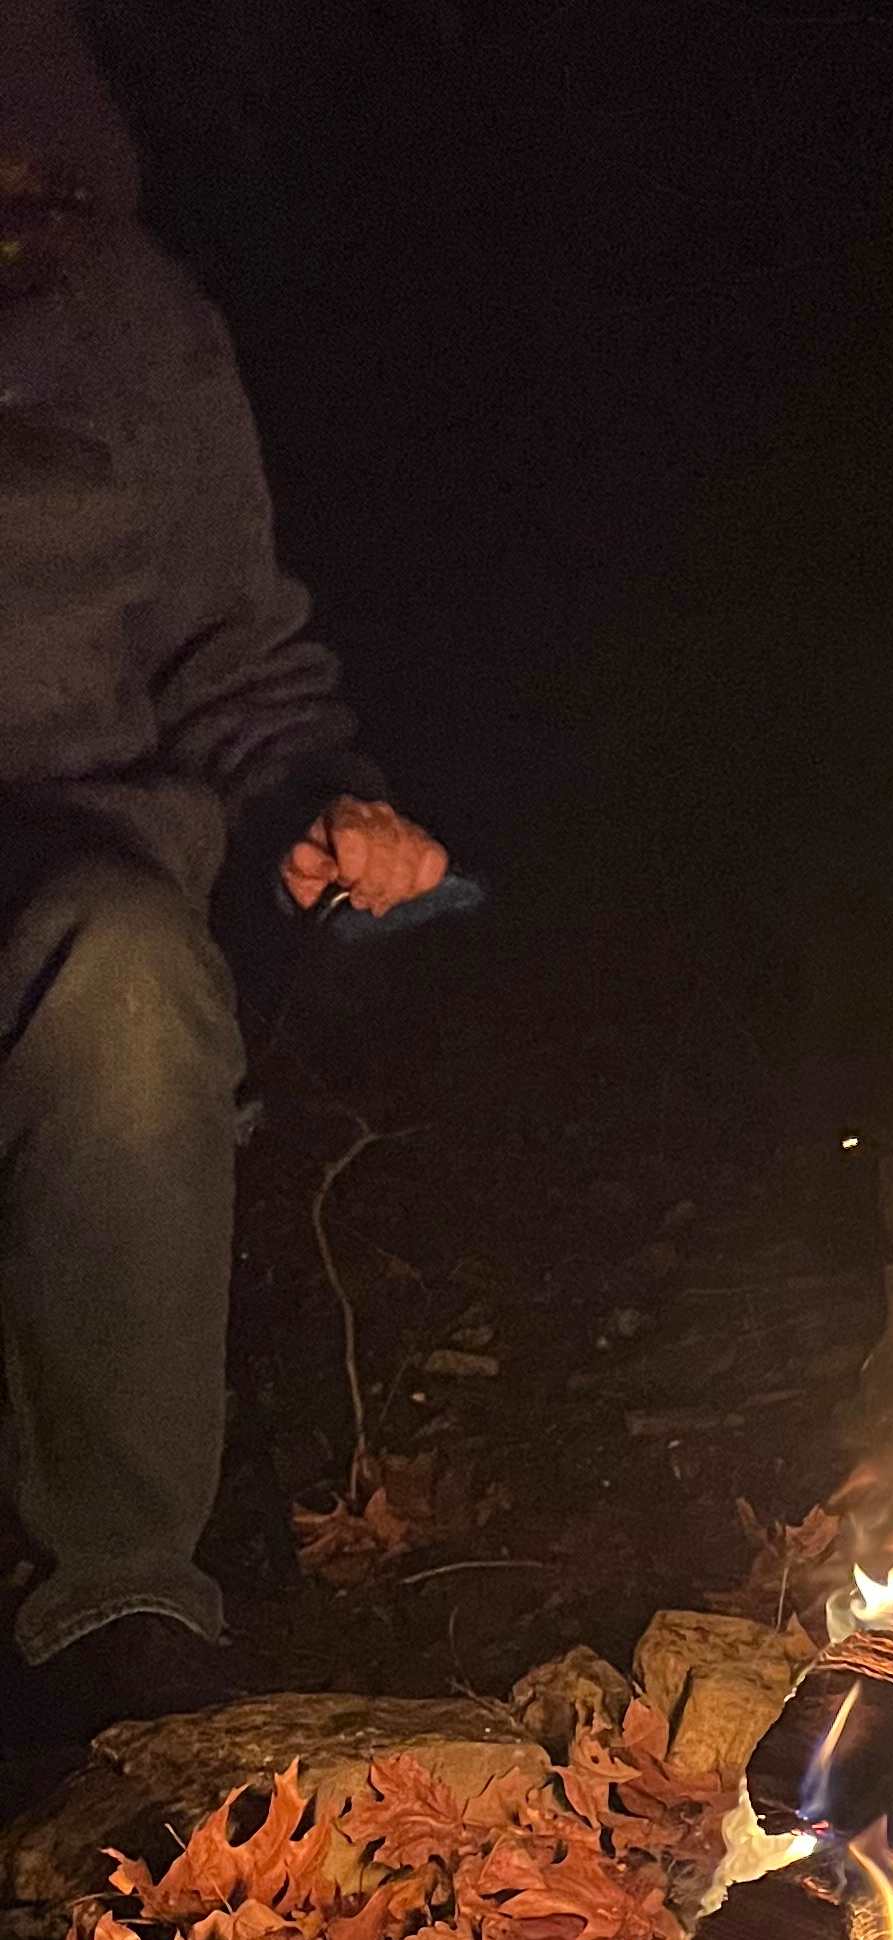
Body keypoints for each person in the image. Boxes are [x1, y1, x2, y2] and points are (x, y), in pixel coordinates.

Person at [0, 0, 449, 1739]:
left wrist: (337, 807)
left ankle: (115, 1602)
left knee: (115, 970)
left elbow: (250, 674)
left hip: (91, 879)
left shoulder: (131, 328)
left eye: (42, 185)